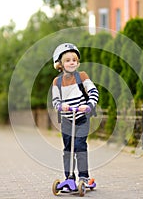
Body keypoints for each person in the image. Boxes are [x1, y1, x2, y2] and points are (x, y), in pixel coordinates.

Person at [51, 43, 99, 184]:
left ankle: (83, 176)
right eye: (67, 60)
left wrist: (88, 105)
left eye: (74, 60)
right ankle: (69, 178)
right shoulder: (57, 82)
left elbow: (93, 92)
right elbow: (55, 101)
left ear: (77, 63)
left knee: (79, 145)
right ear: (60, 64)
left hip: (82, 118)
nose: (72, 62)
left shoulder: (82, 76)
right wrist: (61, 106)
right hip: (66, 119)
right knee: (68, 148)